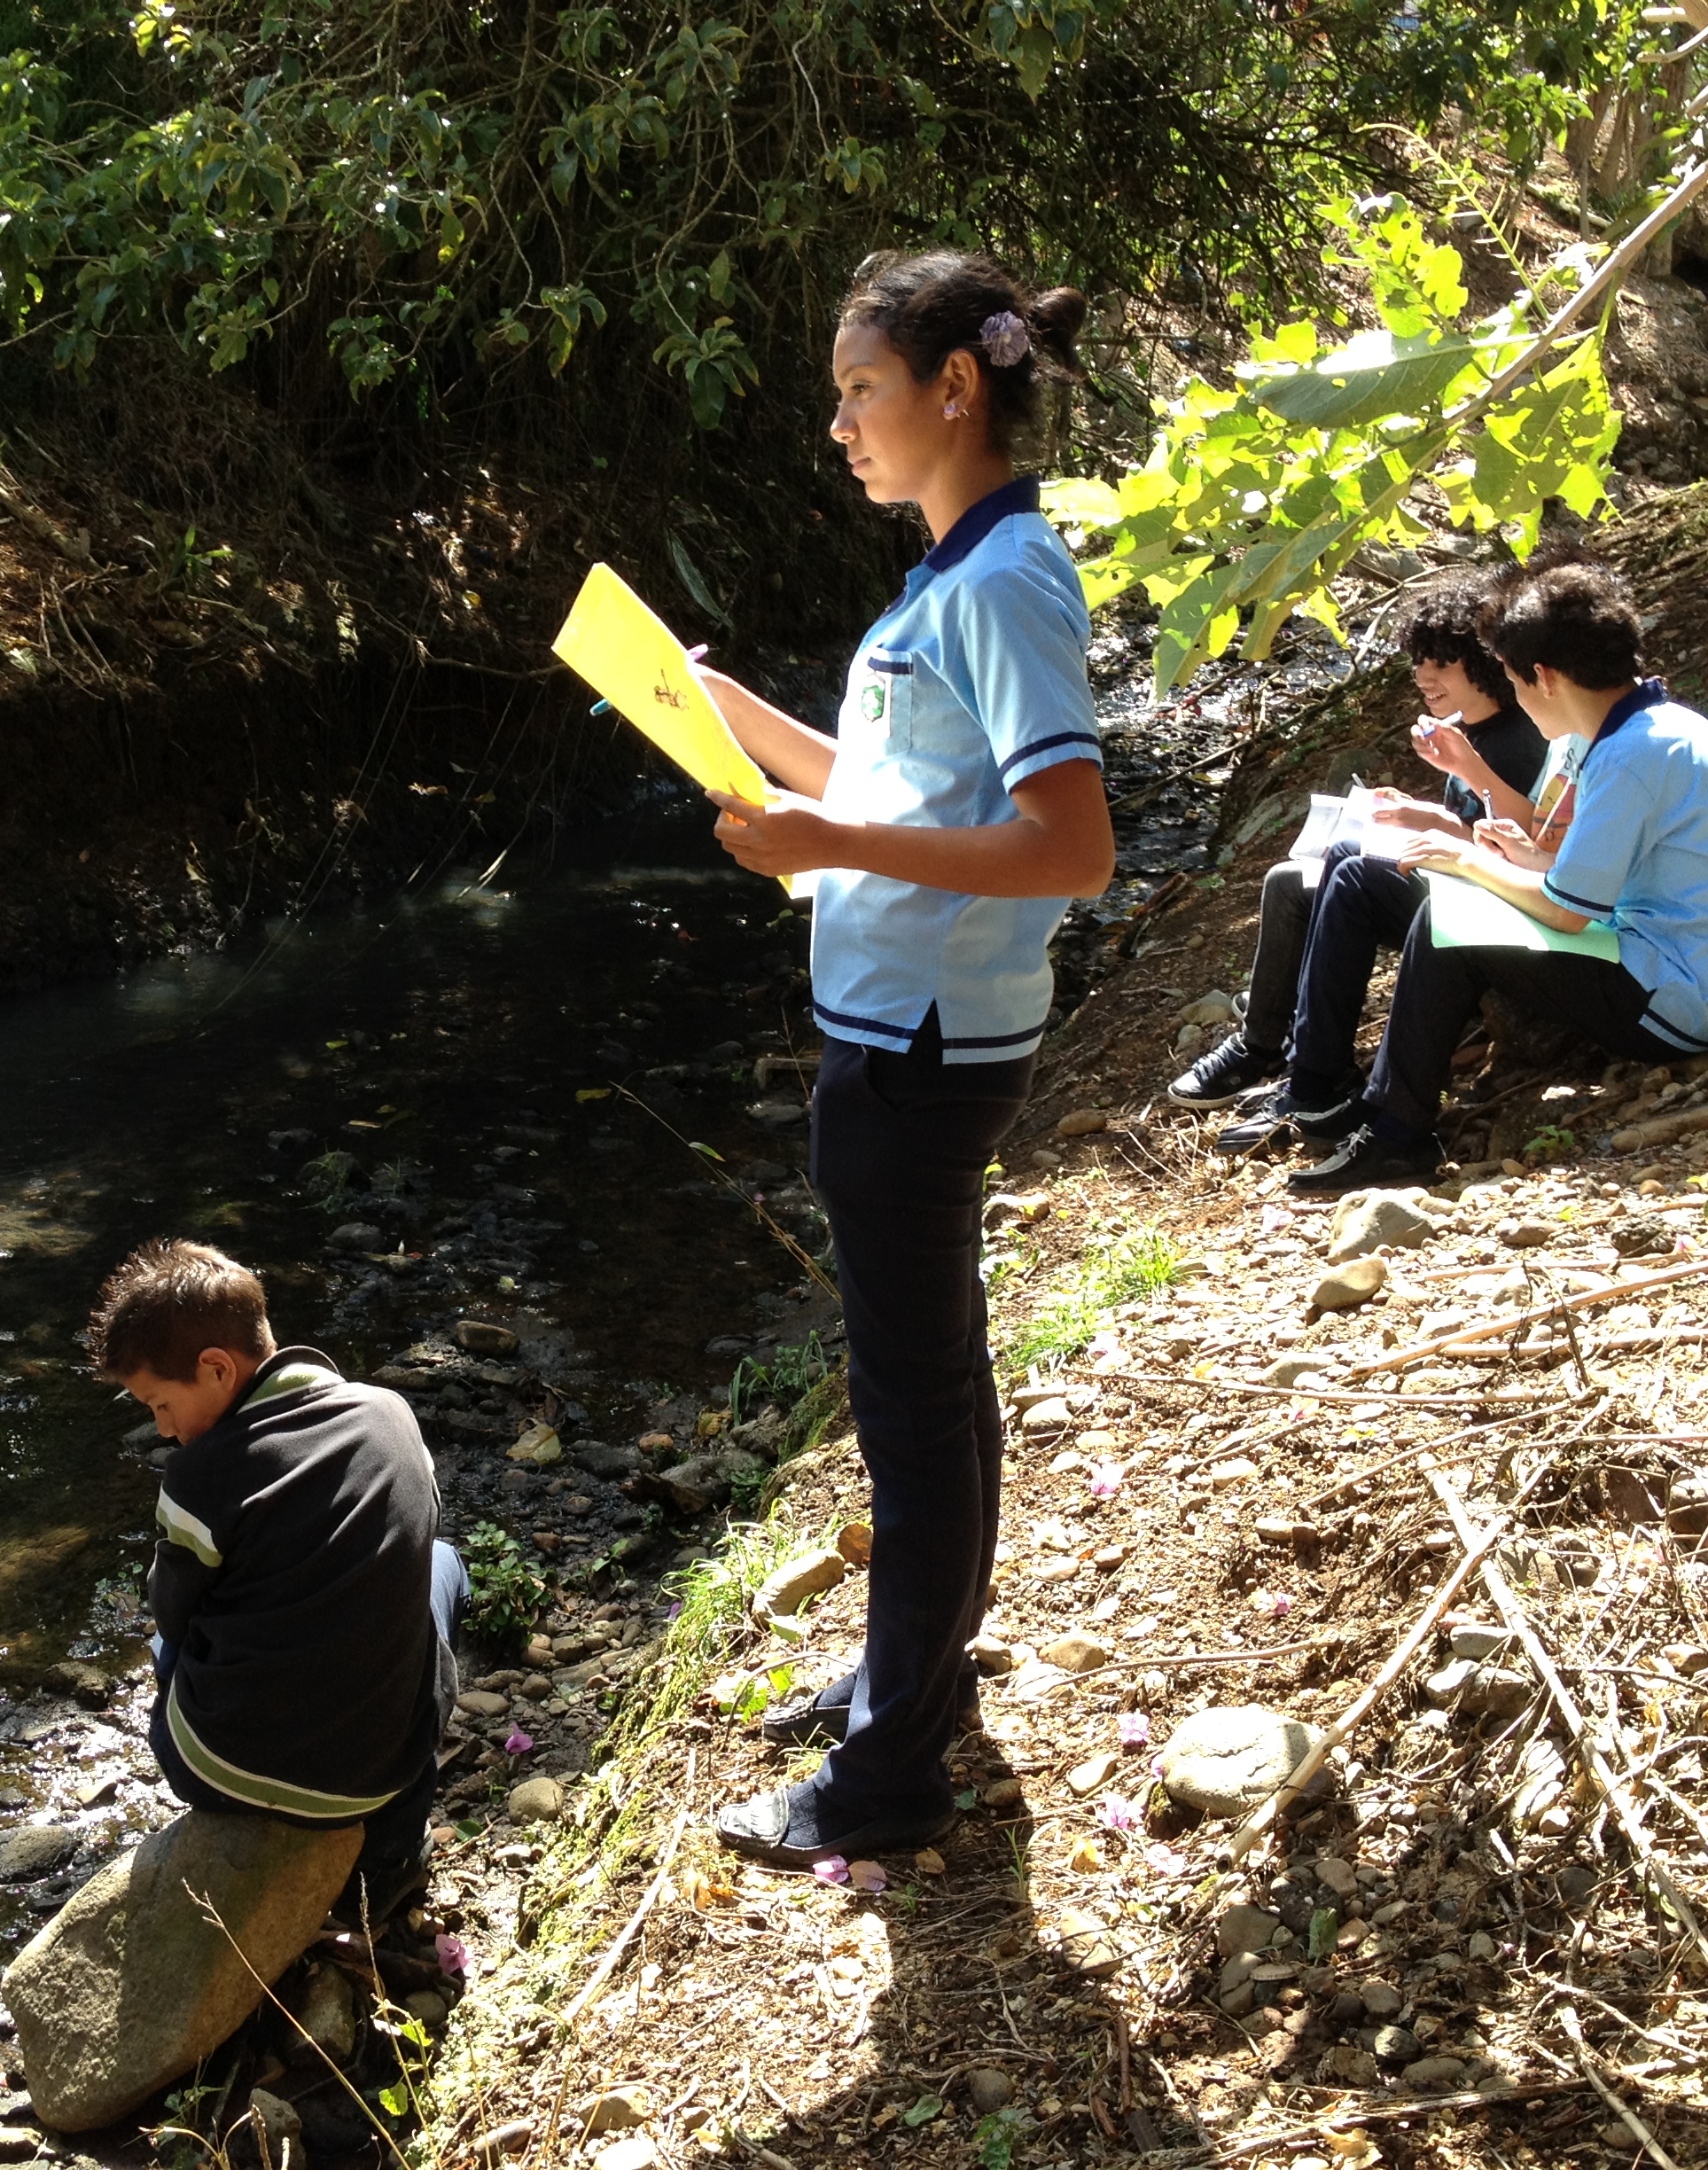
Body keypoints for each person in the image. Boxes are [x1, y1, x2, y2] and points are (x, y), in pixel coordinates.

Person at [683, 250, 1116, 1867]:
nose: (840, 424)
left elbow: (1070, 845)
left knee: (913, 1411)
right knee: (931, 1387)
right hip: (906, 1037)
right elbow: (901, 797)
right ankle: (907, 1675)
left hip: (921, 1054)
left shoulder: (1000, 583)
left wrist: (822, 837)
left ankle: (890, 1775)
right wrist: (730, 717)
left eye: (860, 390)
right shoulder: (955, 569)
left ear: (954, 387)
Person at [1282, 558, 1708, 1195]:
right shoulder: (1668, 729)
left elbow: (1568, 912)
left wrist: (1467, 859)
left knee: (1447, 921)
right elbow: (1618, 877)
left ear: (1543, 677)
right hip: (1700, 970)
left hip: (1685, 999)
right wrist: (1523, 856)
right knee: (1374, 882)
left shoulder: (1629, 756)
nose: (1516, 699)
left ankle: (1397, 1135)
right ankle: (1329, 1093)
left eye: (1514, 683)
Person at [90, 1237, 464, 1918]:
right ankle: (395, 1849)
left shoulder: (199, 1476)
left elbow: (172, 1614)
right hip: (386, 1770)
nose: (164, 1429)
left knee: (164, 1642)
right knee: (441, 1564)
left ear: (215, 1369)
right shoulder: (391, 1414)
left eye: (158, 1403)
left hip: (222, 1767)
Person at [1168, 574, 1553, 1110]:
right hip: (1455, 876)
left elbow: (1524, 841)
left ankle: (1305, 1065)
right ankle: (1264, 1042)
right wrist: (1421, 814)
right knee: (1288, 881)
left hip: (1484, 903)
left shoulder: (1521, 738)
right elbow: (1477, 821)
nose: (1423, 677)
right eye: (1418, 662)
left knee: (1343, 879)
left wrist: (1460, 779)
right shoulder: (1470, 729)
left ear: (1483, 664)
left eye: (1440, 665)